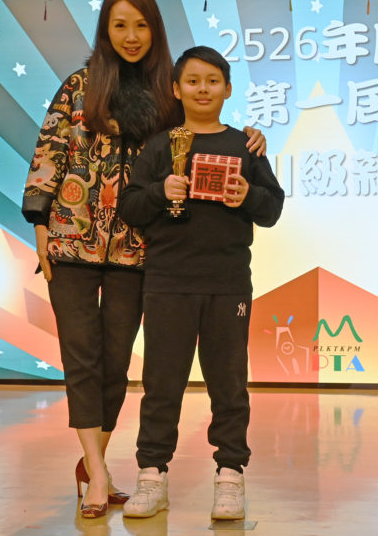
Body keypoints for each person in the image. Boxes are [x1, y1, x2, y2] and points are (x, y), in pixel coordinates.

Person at [22, 0, 266, 520]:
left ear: (155, 30)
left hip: (138, 249)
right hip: (71, 238)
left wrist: (250, 139)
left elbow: (203, 133)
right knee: (81, 356)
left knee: (115, 361)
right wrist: (39, 222)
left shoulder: (166, 94)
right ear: (105, 31)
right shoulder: (80, 85)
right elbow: (50, 150)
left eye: (141, 25)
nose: (131, 36)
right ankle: (97, 472)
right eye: (119, 25)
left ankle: (99, 464)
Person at [117, 46, 285, 521]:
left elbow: (272, 209)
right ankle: (152, 475)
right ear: (176, 89)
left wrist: (247, 195)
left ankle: (230, 475)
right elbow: (130, 207)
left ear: (228, 89)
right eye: (192, 81)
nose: (203, 89)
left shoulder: (247, 146)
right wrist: (159, 192)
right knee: (161, 383)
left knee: (228, 383)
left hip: (228, 283)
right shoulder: (160, 146)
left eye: (213, 81)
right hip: (167, 281)